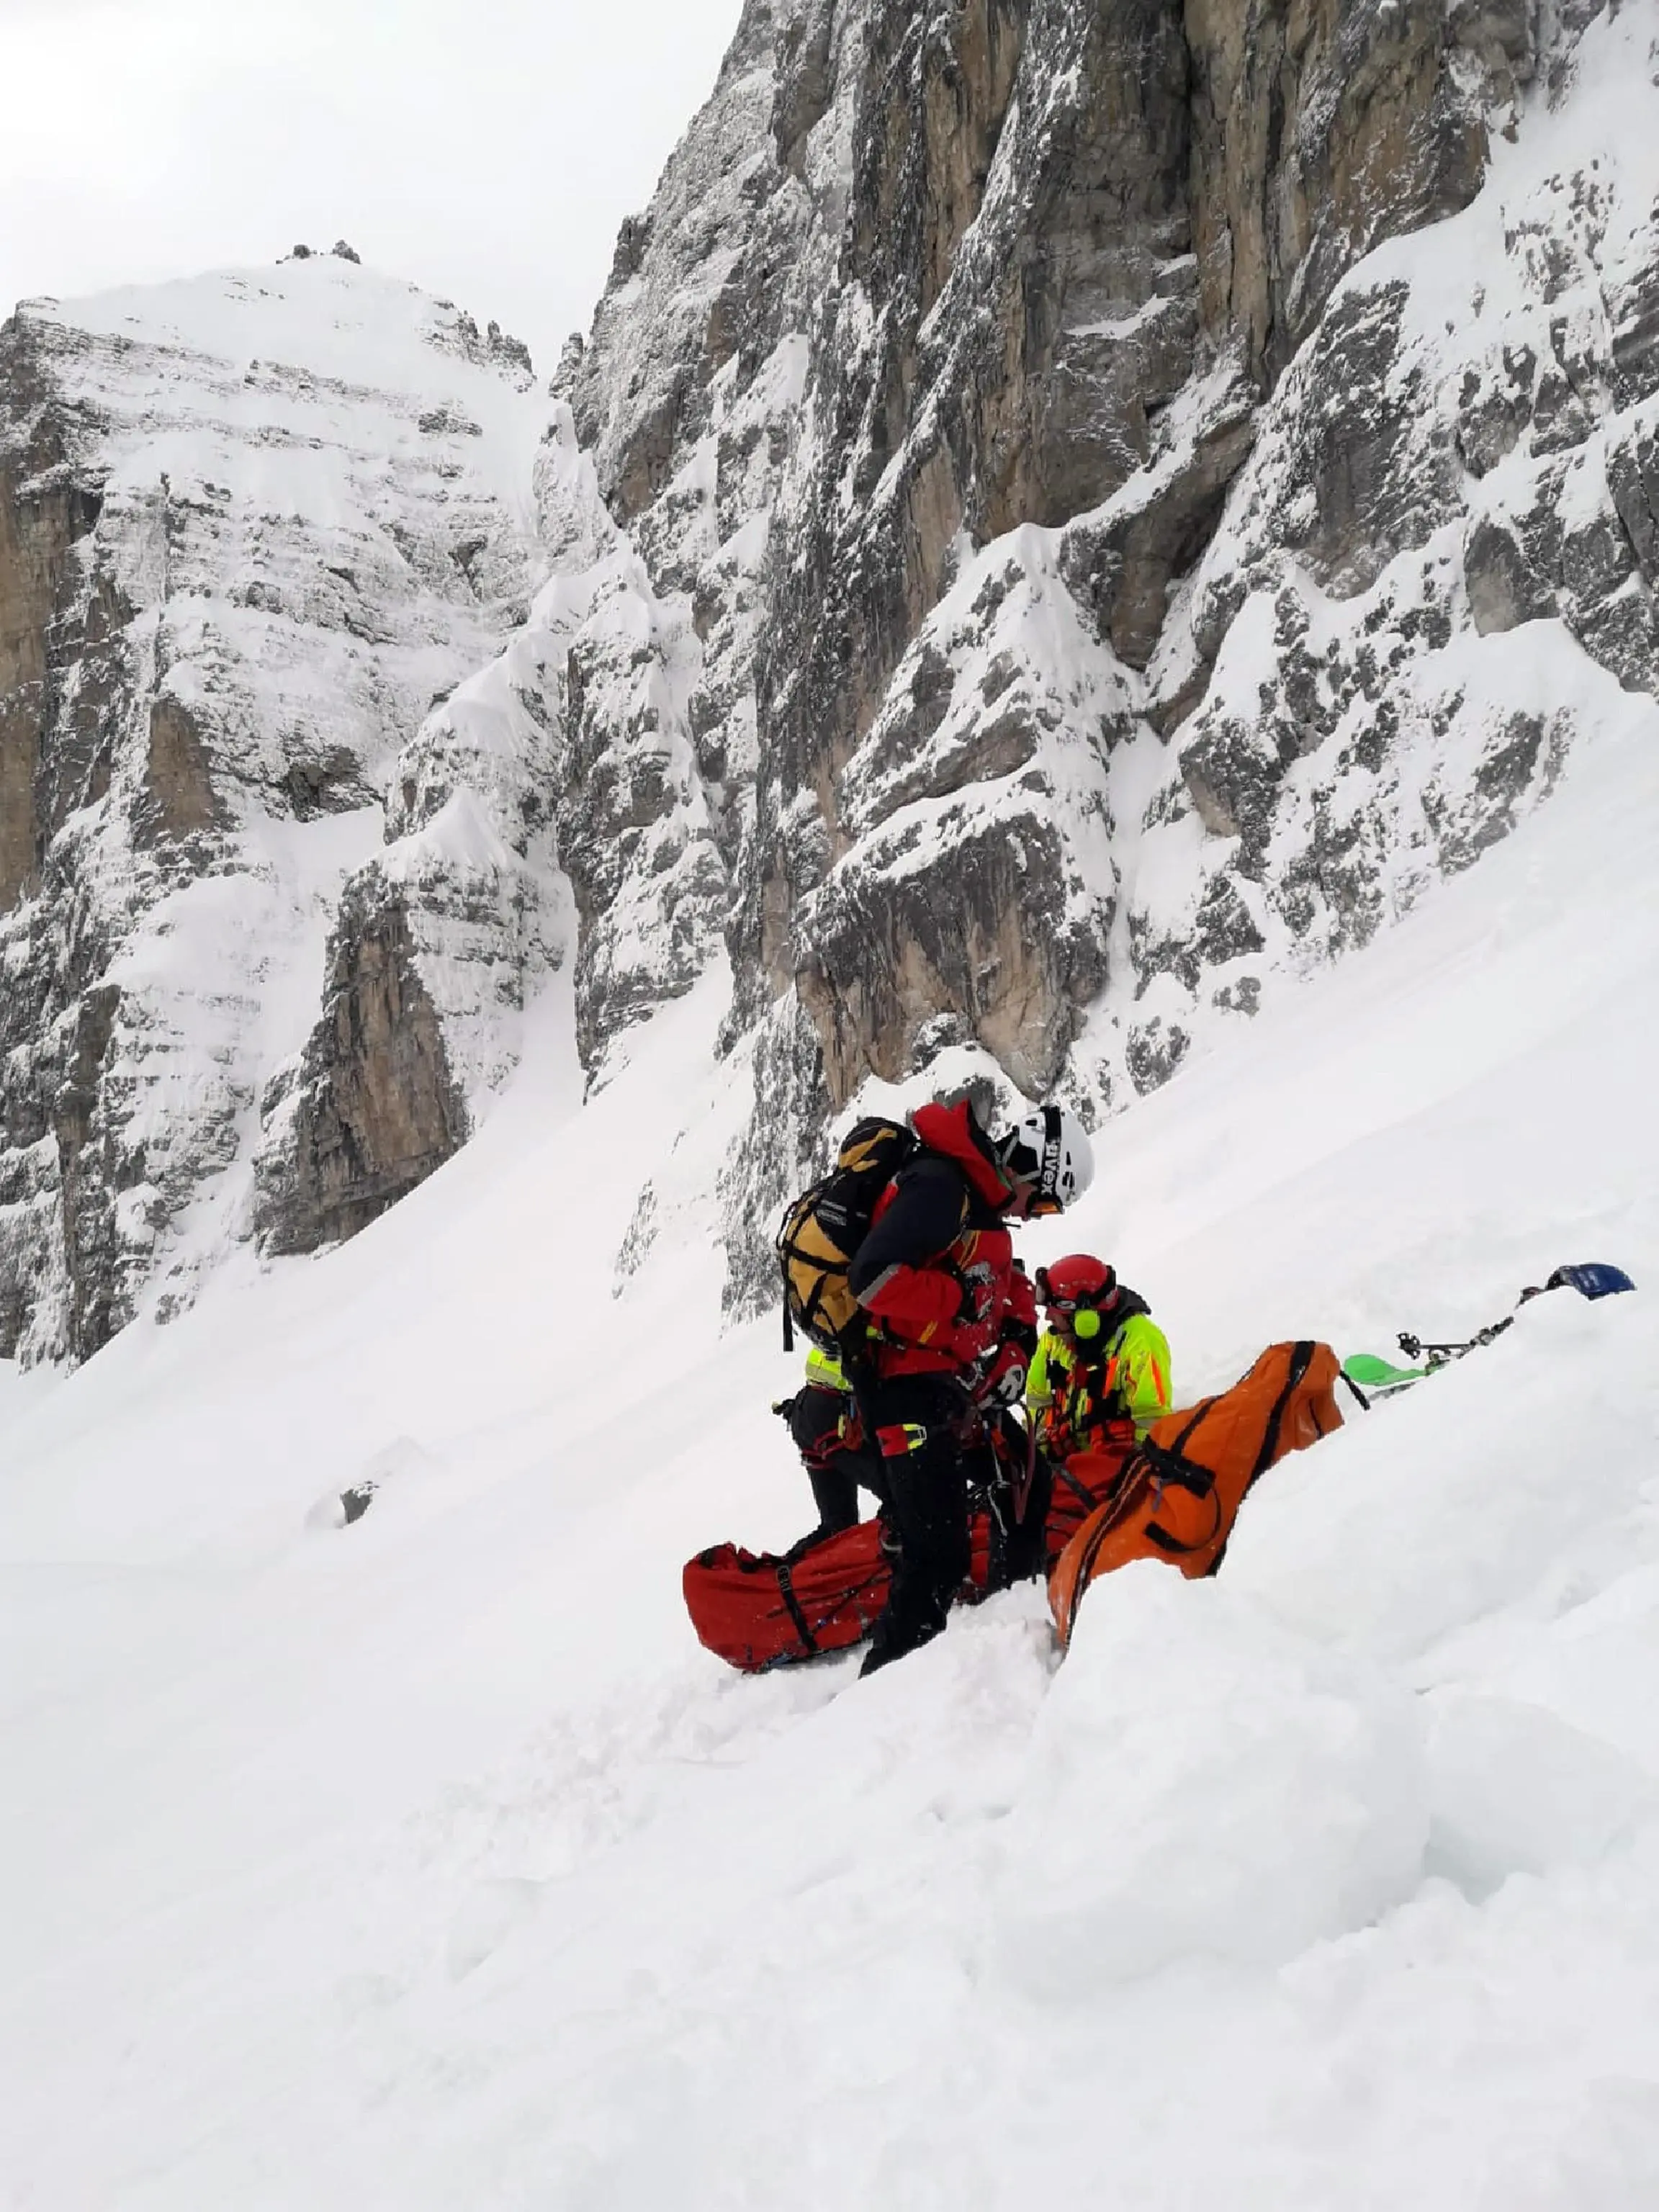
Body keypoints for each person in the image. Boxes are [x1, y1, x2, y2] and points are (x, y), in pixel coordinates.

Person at [846, 1096, 1094, 1674]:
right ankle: (885, 1689)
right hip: (900, 1388)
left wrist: (1013, 1344)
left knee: (1026, 1485)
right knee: (937, 1554)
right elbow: (872, 1278)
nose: (1041, 1214)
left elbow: (1007, 1287)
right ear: (1036, 1165)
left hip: (941, 1388)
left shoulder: (981, 1205)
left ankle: (1012, 1619)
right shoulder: (943, 1188)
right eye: (1050, 1201)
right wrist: (956, 1305)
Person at [1027, 1255, 1173, 1460]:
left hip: (1117, 1471)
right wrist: (1039, 1461)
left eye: (1053, 1311)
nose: (1047, 1318)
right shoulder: (1053, 1341)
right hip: (1063, 1469)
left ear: (1083, 1318)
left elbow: (1152, 1423)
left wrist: (1128, 1478)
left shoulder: (1141, 1342)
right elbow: (1037, 1401)